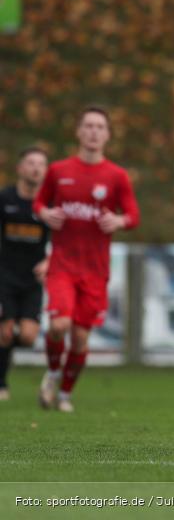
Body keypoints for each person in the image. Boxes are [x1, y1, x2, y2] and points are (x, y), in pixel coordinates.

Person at [33, 106, 140, 412]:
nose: (93, 132)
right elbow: (40, 201)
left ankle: (65, 394)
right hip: (62, 265)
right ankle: (53, 374)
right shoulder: (59, 171)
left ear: (107, 135)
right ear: (79, 132)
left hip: (95, 270)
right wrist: (44, 212)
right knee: (59, 325)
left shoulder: (116, 176)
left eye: (99, 127)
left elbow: (133, 215)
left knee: (80, 338)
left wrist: (119, 222)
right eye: (88, 126)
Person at [0, 148, 50, 401]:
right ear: (20, 168)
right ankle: (1, 385)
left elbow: (63, 240)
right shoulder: (5, 198)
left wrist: (50, 261)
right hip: (4, 277)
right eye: (31, 163)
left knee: (29, 337)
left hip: (32, 281)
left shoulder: (48, 206)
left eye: (41, 164)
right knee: (5, 331)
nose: (36, 168)